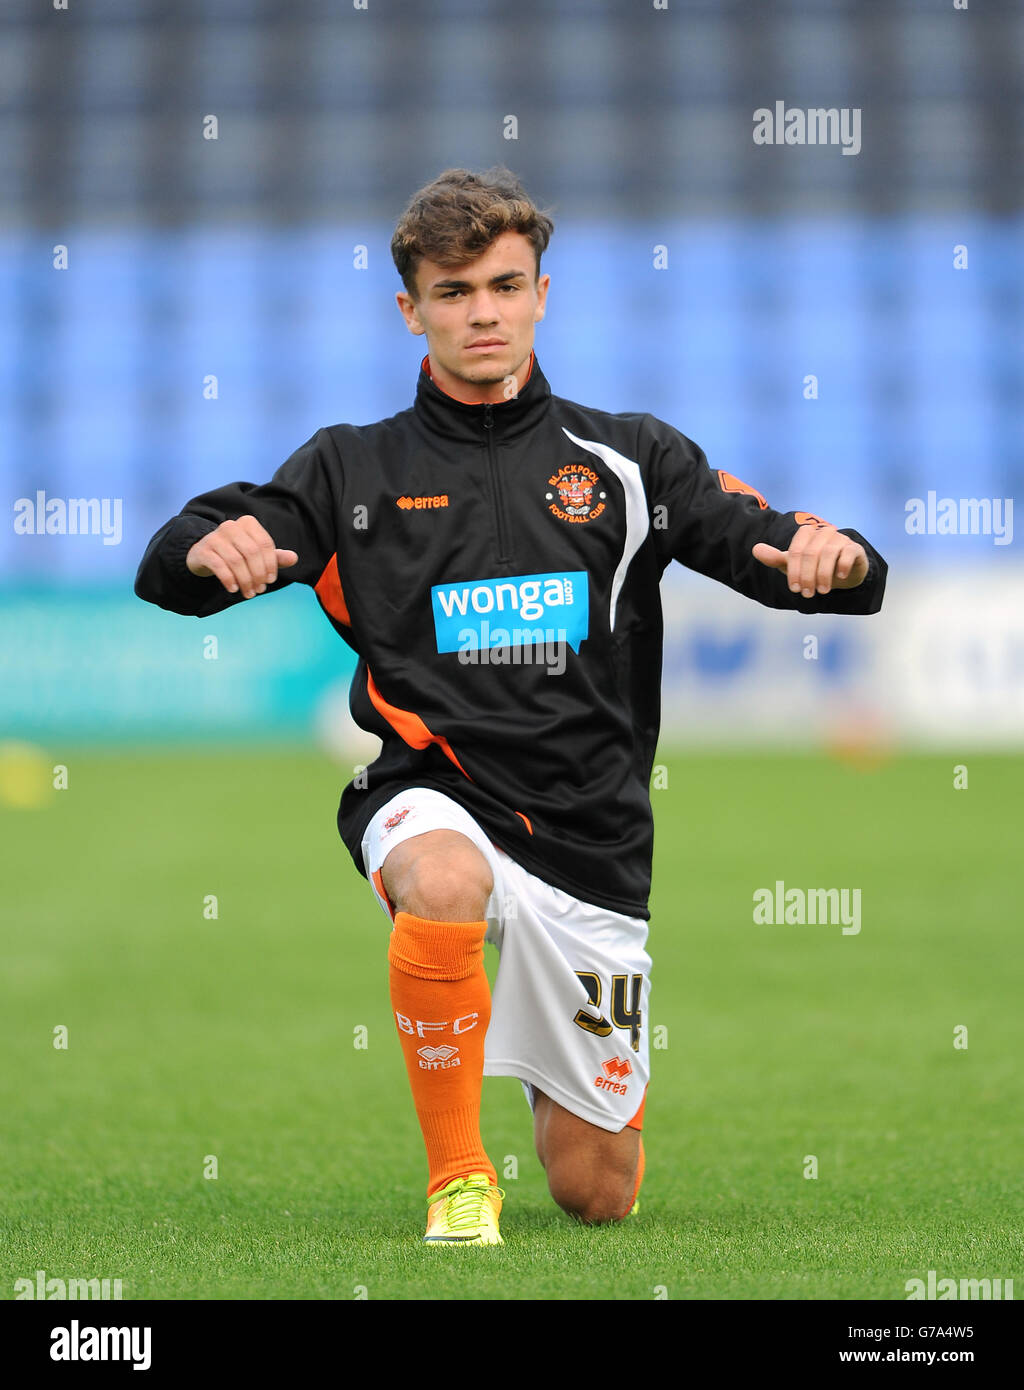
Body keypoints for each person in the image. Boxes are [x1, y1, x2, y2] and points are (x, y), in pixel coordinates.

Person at [135, 165, 888, 1246]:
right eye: (452, 292)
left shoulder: (630, 459)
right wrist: (205, 545)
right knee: (442, 880)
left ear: (542, 293)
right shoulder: (354, 468)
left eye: (503, 284)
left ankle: (570, 1099)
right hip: (428, 791)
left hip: (591, 833)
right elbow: (178, 564)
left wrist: (837, 558)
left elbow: (765, 546)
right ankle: (458, 1178)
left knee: (597, 1193)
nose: (480, 311)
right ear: (412, 311)